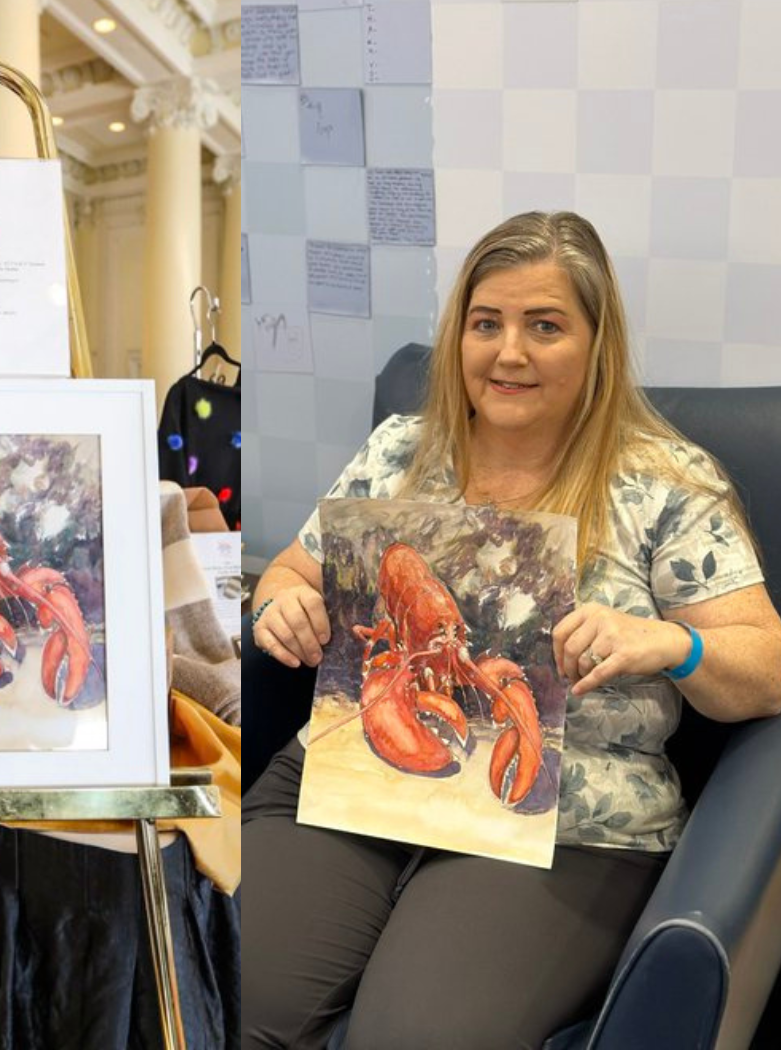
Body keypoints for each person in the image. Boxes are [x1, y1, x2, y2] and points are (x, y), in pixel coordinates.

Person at [242, 210, 781, 1049]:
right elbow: (288, 571)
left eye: (546, 326)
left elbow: (768, 663)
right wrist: (282, 603)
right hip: (355, 787)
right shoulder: (399, 450)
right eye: (485, 323)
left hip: (561, 821)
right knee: (233, 999)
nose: (509, 353)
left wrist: (673, 645)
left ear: (597, 344)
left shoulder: (668, 481)